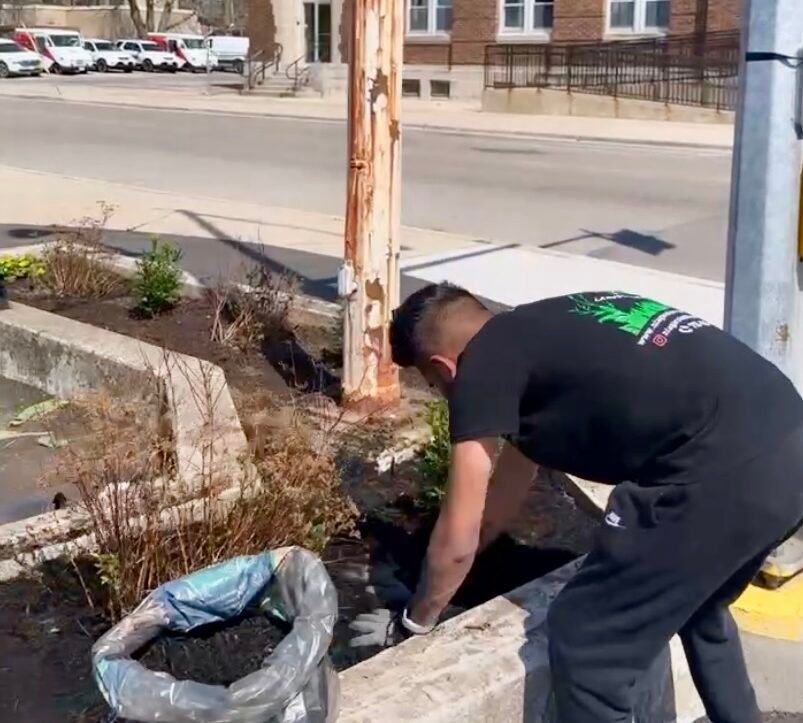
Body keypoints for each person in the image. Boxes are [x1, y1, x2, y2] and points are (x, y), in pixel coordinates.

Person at [349, 283, 803, 723]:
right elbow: (502, 492)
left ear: (443, 368)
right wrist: (468, 559)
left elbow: (457, 540)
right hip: (788, 438)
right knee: (700, 604)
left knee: (588, 644)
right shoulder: (546, 332)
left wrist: (413, 622)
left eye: (432, 385)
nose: (442, 395)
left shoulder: (480, 367)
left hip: (718, 475)